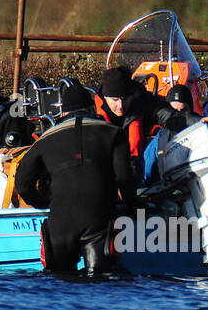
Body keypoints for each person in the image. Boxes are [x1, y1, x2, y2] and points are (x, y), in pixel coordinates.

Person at [14, 81, 138, 275]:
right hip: (98, 216)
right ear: (91, 108)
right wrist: (133, 208)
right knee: (100, 280)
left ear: (62, 113)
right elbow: (124, 177)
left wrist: (44, 202)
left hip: (60, 219)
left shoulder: (45, 139)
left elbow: (22, 184)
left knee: (59, 281)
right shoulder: (114, 133)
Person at [94, 66, 191, 177]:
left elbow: (174, 117)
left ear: (132, 95)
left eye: (125, 99)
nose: (120, 106)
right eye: (115, 100)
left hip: (139, 169)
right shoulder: (92, 115)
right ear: (105, 97)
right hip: (107, 176)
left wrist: (199, 122)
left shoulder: (145, 102)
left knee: (164, 135)